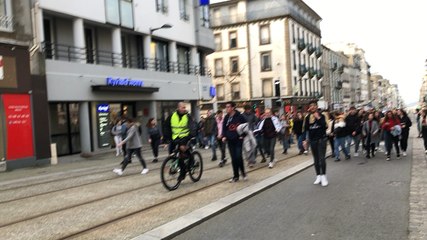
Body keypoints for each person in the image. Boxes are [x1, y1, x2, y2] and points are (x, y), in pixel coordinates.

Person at [163, 102, 197, 181]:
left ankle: (184, 170)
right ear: (178, 108)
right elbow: (166, 127)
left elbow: (192, 127)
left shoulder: (188, 117)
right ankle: (179, 166)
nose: (184, 109)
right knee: (173, 154)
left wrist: (190, 136)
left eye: (185, 107)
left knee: (182, 150)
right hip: (175, 138)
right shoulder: (172, 116)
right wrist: (166, 139)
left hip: (185, 137)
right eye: (183, 107)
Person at [303, 100, 328, 187]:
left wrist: (318, 118)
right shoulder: (307, 117)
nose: (312, 107)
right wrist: (305, 140)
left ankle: (324, 176)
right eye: (311, 106)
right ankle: (318, 176)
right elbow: (306, 130)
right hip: (313, 140)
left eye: (314, 105)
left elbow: (325, 126)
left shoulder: (322, 115)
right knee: (316, 159)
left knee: (322, 159)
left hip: (321, 139)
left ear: (317, 107)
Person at [221, 101, 247, 182]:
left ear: (232, 108)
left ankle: (243, 173)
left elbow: (246, 127)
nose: (227, 108)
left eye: (228, 107)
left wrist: (242, 136)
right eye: (226, 107)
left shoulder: (240, 116)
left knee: (238, 156)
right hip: (230, 140)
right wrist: (224, 136)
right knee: (233, 158)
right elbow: (224, 128)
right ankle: (236, 176)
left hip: (238, 140)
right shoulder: (226, 117)